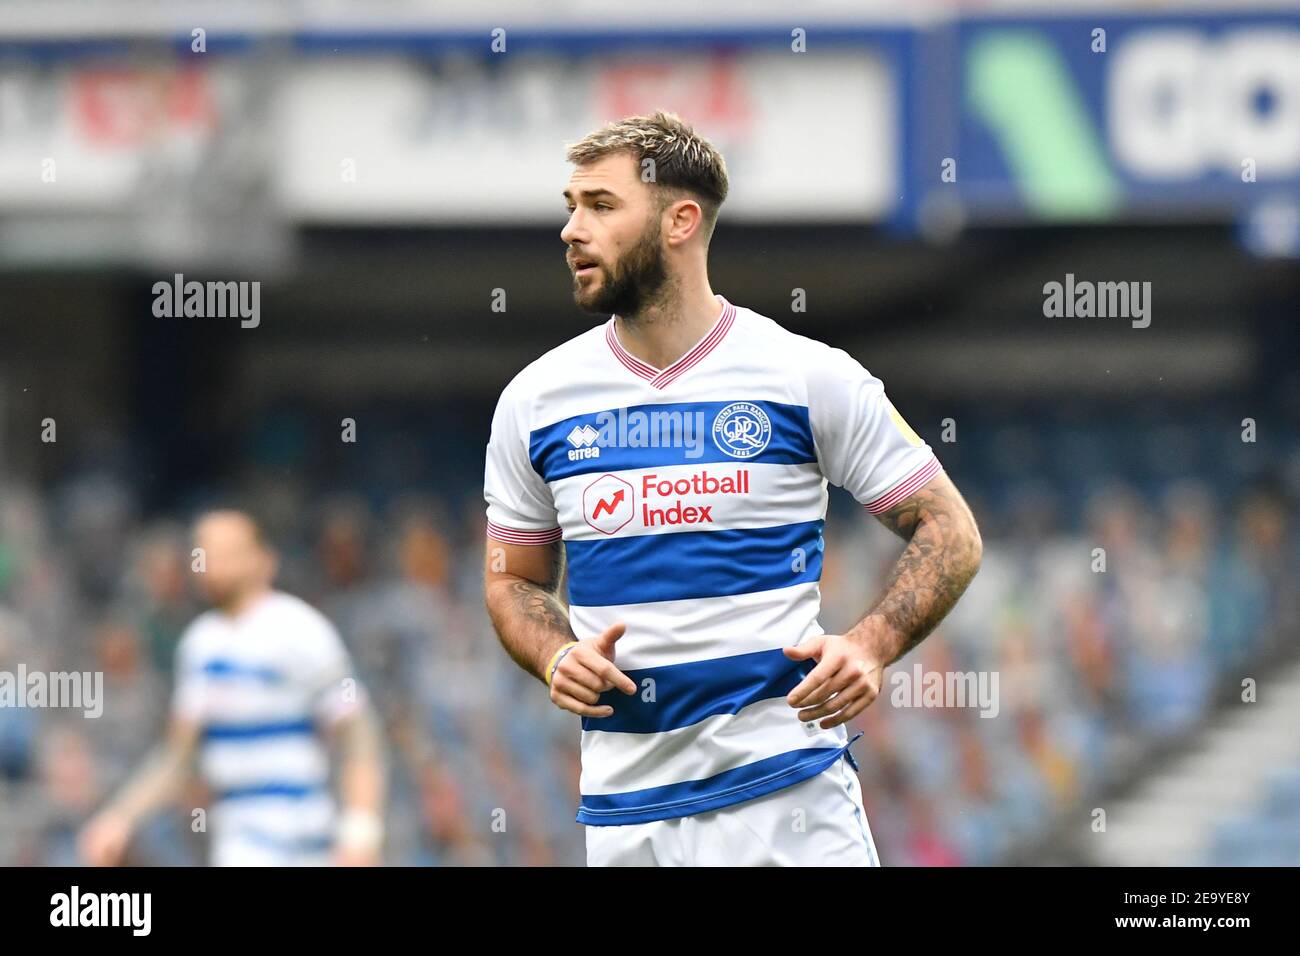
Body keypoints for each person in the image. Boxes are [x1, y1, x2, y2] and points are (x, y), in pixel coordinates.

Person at [482, 111, 983, 866]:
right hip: (626, 817)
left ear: (680, 220)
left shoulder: (807, 375)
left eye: (601, 205)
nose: (572, 230)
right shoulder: (535, 399)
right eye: (570, 206)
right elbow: (511, 583)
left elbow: (951, 530)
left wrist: (873, 644)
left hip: (788, 799)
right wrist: (555, 654)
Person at [80, 510, 386, 866]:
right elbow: (179, 757)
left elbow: (360, 734)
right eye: (202, 553)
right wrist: (119, 817)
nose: (210, 563)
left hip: (305, 837)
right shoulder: (199, 646)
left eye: (225, 552)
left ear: (262, 560)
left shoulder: (301, 630)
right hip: (242, 841)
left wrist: (362, 832)